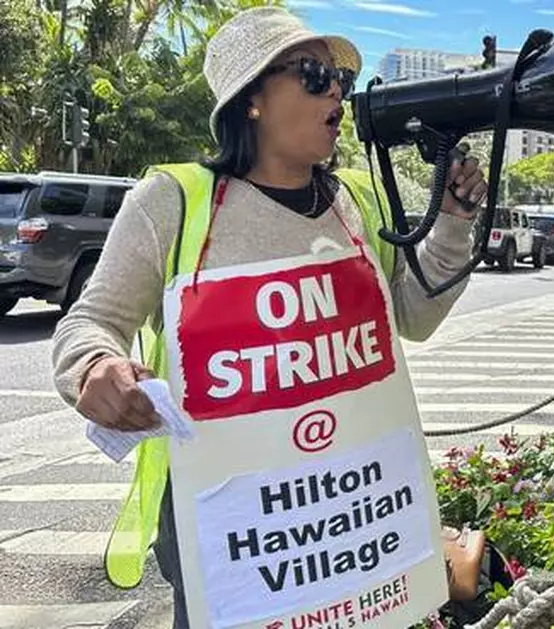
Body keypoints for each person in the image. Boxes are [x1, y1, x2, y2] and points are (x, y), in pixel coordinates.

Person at [49, 8, 487, 626]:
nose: (336, 89)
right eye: (313, 74)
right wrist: (94, 366)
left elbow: (412, 319)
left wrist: (452, 223)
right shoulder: (173, 202)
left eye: (340, 77)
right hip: (235, 529)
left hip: (356, 511)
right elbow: (89, 320)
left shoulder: (356, 201)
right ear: (250, 99)